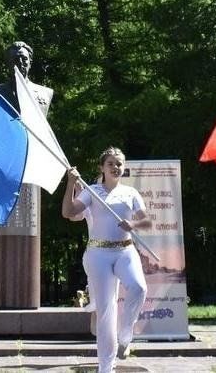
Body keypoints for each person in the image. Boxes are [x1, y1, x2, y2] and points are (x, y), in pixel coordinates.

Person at [61, 147, 152, 373]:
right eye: (111, 163)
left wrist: (133, 224)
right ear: (102, 167)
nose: (116, 167)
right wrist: (71, 183)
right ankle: (105, 366)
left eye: (119, 163)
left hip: (125, 251)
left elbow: (147, 222)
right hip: (98, 255)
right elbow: (69, 212)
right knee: (105, 311)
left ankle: (127, 330)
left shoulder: (131, 193)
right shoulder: (91, 192)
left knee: (139, 287)